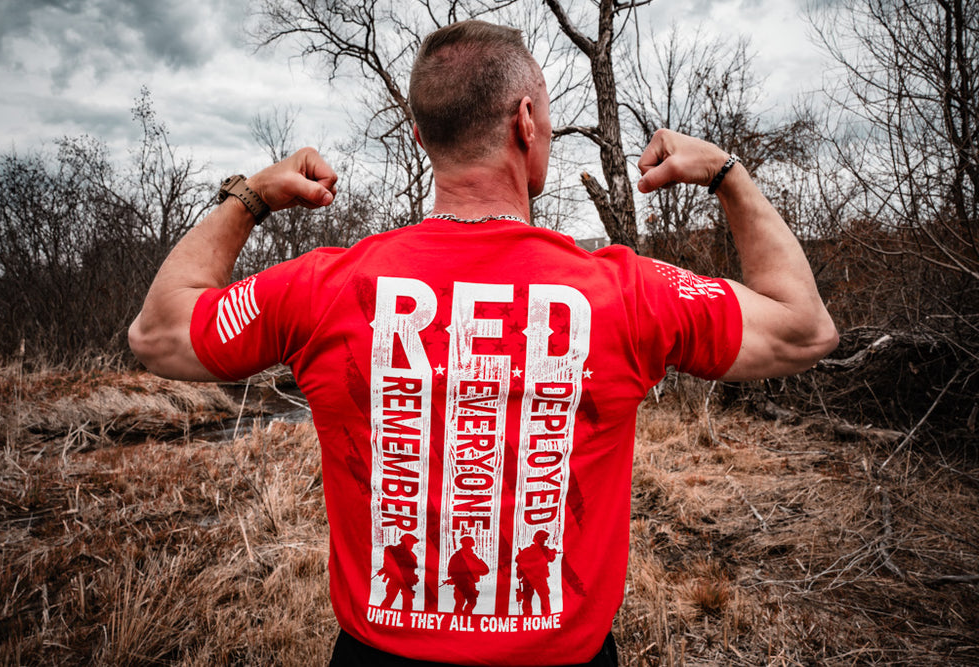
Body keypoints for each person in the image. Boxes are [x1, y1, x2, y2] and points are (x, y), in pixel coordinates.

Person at [128, 19, 837, 667]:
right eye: (550, 121)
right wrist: (726, 173)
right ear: (526, 122)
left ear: (418, 136)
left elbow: (157, 333)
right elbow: (804, 326)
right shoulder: (622, 292)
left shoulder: (324, 288)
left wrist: (251, 195)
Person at [515, 530, 557, 616]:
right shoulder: (544, 551)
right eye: (543, 539)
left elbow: (518, 559)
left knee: (529, 598)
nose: (544, 541)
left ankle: (528, 615)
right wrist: (553, 552)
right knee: (540, 598)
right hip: (537, 579)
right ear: (538, 539)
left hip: (530, 579)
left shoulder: (527, 551)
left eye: (544, 539)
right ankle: (545, 615)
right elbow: (551, 558)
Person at [446, 536, 490, 615]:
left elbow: (484, 570)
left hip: (462, 584)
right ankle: (463, 617)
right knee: (469, 601)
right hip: (466, 584)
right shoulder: (462, 556)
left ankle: (462, 617)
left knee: (462, 602)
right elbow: (484, 570)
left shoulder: (458, 556)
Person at [379, 533, 421, 610]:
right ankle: (382, 613)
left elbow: (412, 571)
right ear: (404, 542)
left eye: (412, 543)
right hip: (395, 579)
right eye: (410, 543)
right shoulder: (392, 550)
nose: (412, 545)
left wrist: (414, 578)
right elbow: (388, 562)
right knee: (390, 598)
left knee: (407, 600)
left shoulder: (413, 556)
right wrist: (385, 569)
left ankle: (406, 618)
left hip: (407, 582)